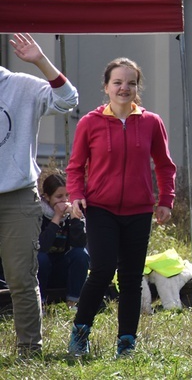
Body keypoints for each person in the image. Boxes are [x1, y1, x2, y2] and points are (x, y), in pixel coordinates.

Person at [66, 57, 176, 358]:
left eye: (130, 83)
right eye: (117, 82)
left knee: (130, 278)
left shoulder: (152, 122)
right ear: (106, 87)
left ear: (137, 88)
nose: (124, 88)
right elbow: (75, 167)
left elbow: (165, 166)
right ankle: (80, 334)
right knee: (101, 270)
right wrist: (75, 195)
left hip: (139, 210)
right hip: (100, 208)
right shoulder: (90, 122)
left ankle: (126, 342)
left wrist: (166, 200)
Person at [0, 33, 79, 357]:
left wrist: (40, 61)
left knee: (20, 278)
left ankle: (30, 351)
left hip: (17, 197)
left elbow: (68, 99)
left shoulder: (21, 86)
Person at [37, 173, 89, 309]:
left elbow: (80, 243)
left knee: (81, 254)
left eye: (67, 195)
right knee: (40, 258)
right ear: (47, 197)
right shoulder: (38, 214)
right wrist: (56, 218)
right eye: (59, 197)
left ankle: (73, 302)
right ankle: (39, 304)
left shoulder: (72, 213)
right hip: (41, 271)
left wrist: (74, 219)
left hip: (61, 269)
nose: (64, 200)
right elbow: (41, 247)